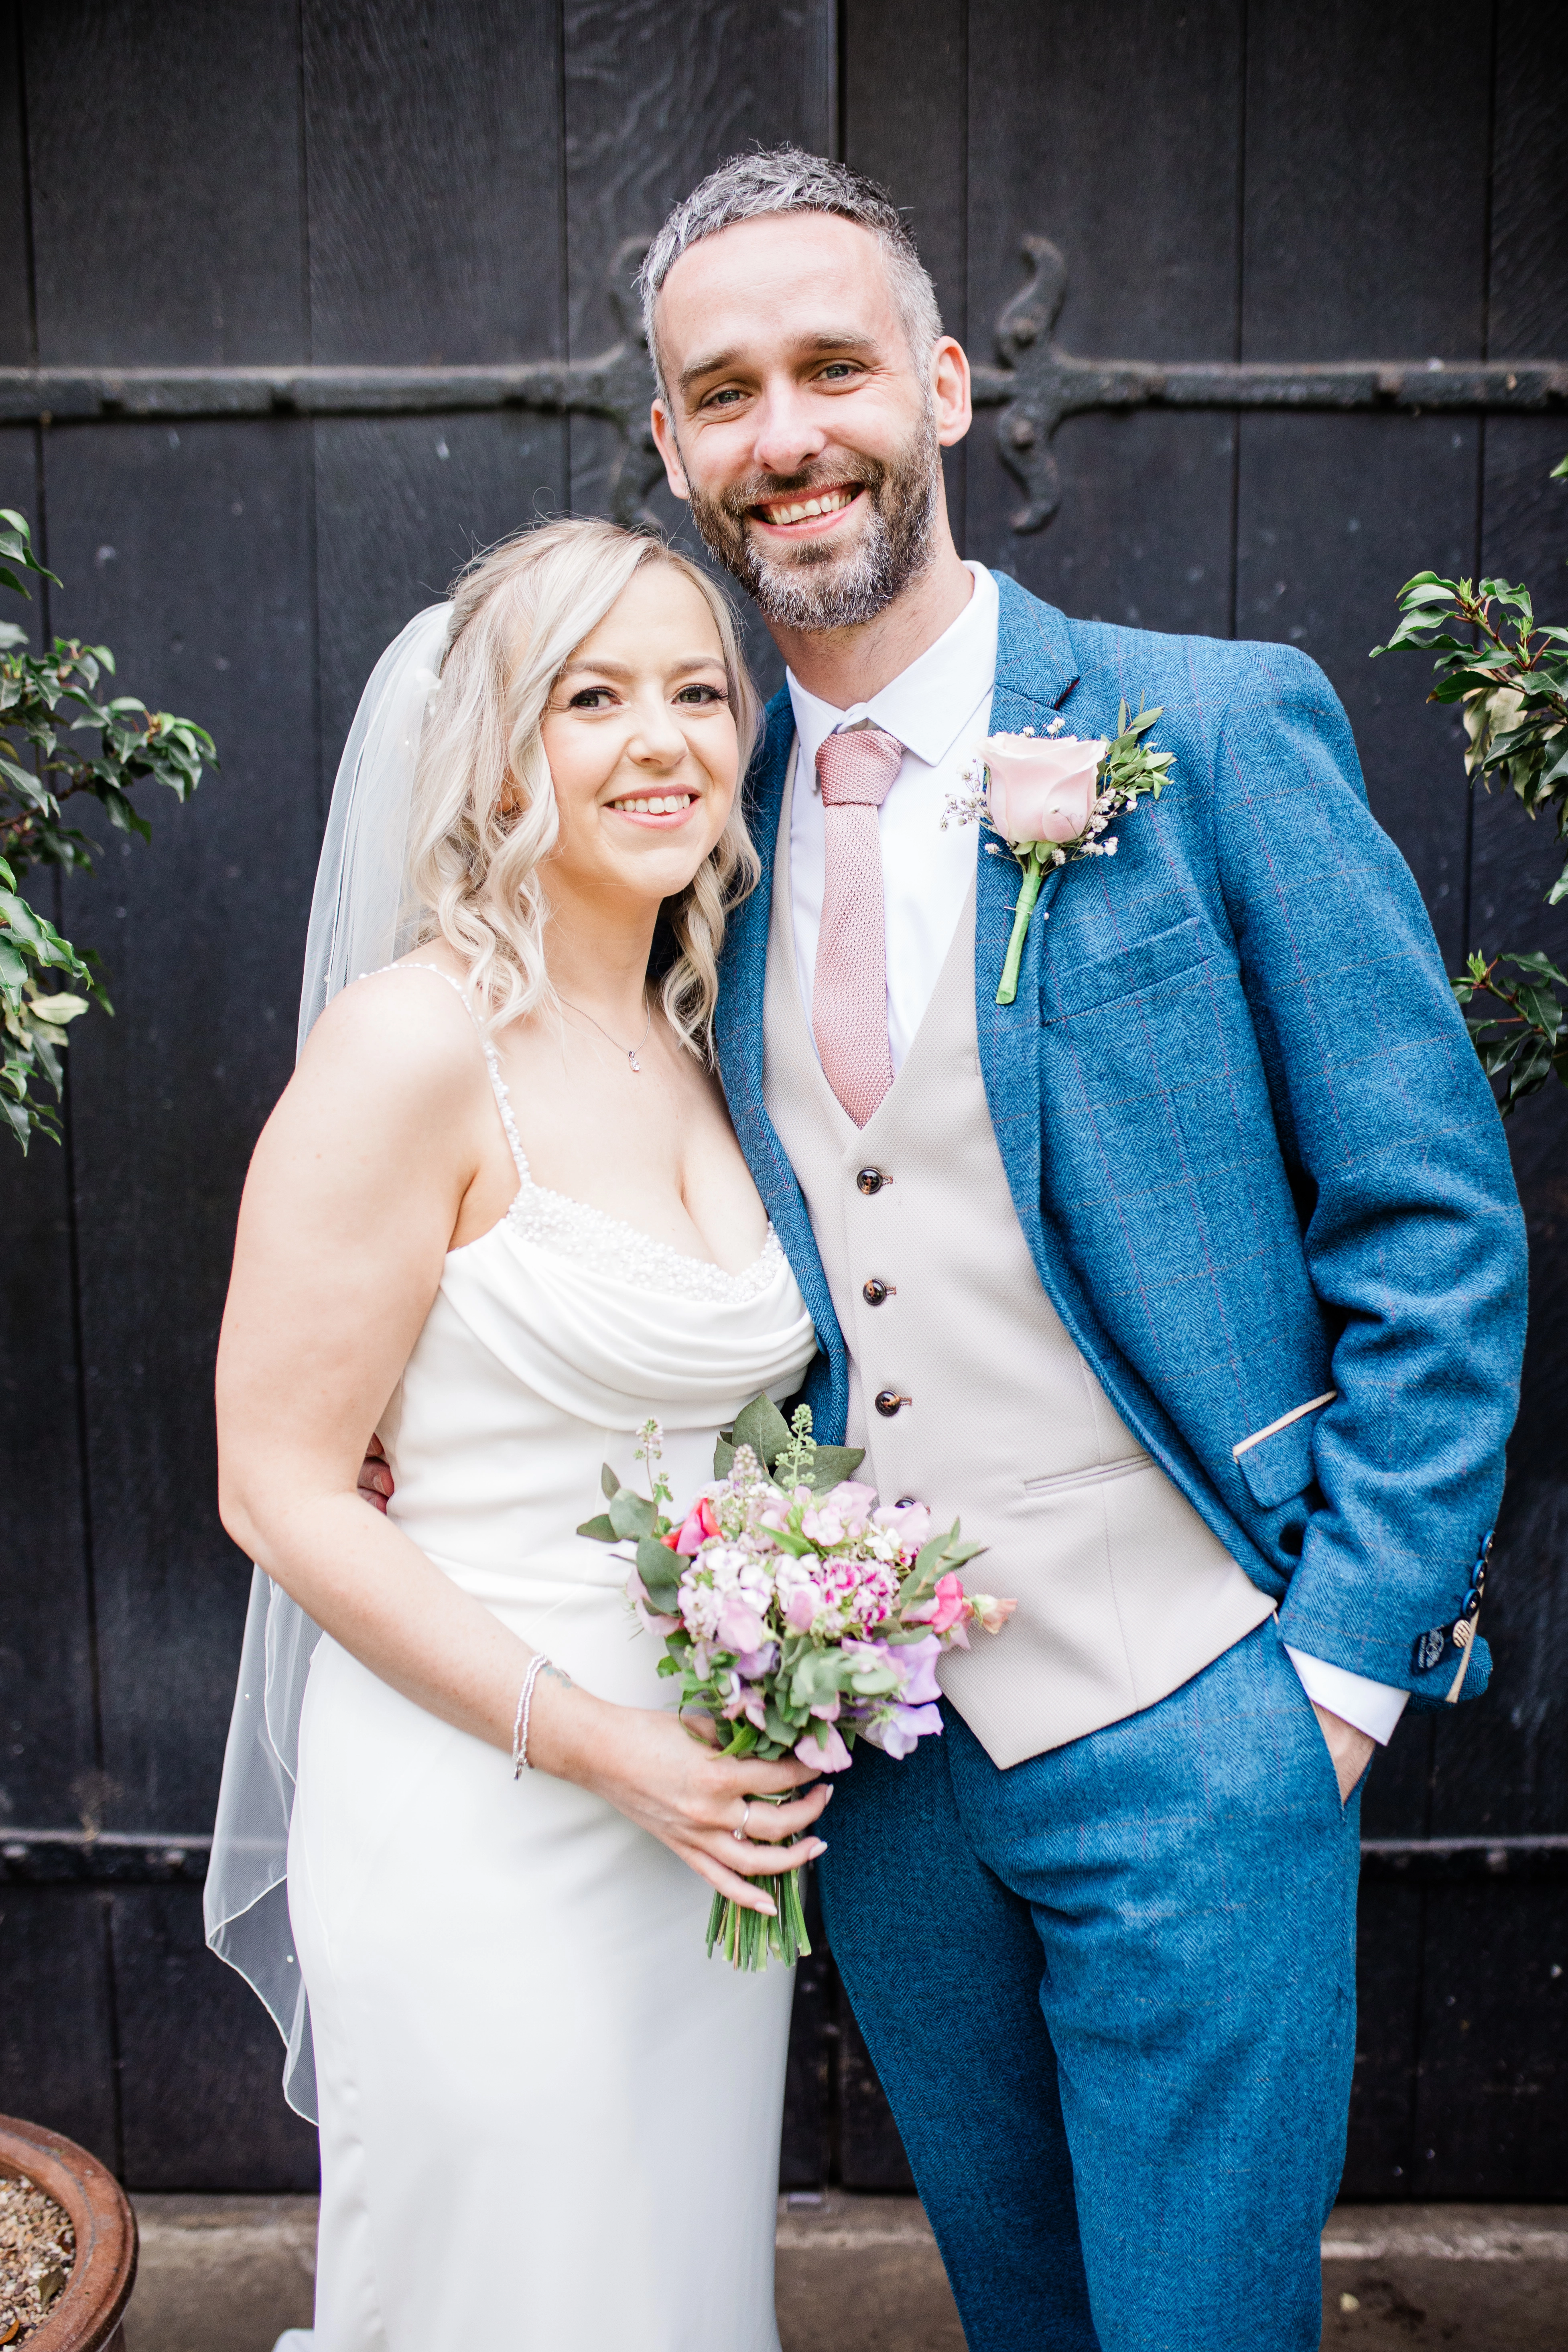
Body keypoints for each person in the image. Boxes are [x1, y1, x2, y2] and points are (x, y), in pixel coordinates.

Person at [622, 150, 1521, 2351]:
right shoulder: (683, 826)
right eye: (722, 393)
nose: (786, 433)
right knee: (1021, 2318)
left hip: (1199, 1712)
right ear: (672, 447)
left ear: (938, 385)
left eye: (831, 366)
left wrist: (1328, 1671)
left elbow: (1430, 1216)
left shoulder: (1204, 729)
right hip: (893, 1773)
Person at [208, 518, 829, 2352]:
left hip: (697, 1827)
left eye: (700, 690)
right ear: (494, 748)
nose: (664, 741)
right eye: (594, 697)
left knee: (666, 2287)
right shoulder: (414, 1045)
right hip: (483, 1807)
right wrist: (599, 1744)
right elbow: (278, 1482)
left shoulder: (706, 1038)